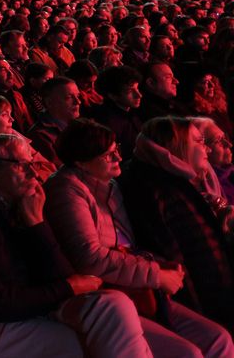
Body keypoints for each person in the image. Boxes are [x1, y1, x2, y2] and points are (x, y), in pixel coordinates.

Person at [0, 133, 154, 358]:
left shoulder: (23, 203)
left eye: (33, 164)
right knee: (81, 345)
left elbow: (59, 275)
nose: (34, 173)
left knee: (115, 305)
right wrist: (67, 288)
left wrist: (36, 224)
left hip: (33, 306)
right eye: (22, 165)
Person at [45, 118, 234, 357]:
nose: (117, 158)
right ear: (81, 163)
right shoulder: (67, 190)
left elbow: (132, 244)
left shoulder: (112, 186)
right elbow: (89, 257)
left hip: (138, 286)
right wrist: (156, 274)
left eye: (116, 150)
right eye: (107, 155)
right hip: (110, 292)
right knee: (188, 353)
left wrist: (160, 265)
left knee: (219, 339)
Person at [120, 116, 234, 330]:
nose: (207, 150)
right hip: (207, 303)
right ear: (176, 145)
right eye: (200, 142)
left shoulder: (171, 182)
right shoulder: (157, 190)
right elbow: (175, 254)